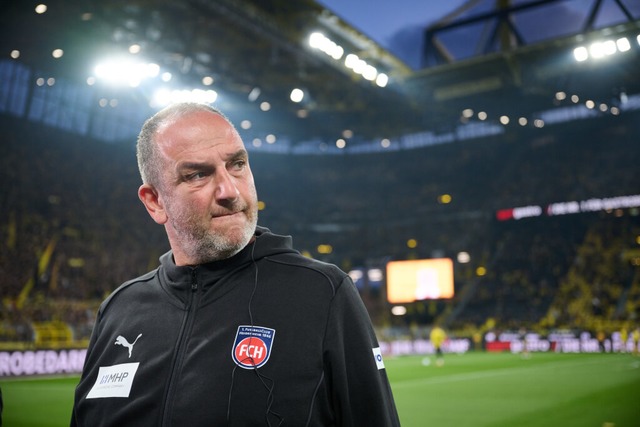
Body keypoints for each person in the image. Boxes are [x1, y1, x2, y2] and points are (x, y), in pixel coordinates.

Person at [70, 102, 400, 426]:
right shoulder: (118, 310)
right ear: (155, 202)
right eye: (198, 174)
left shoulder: (322, 294)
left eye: (237, 164)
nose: (229, 190)